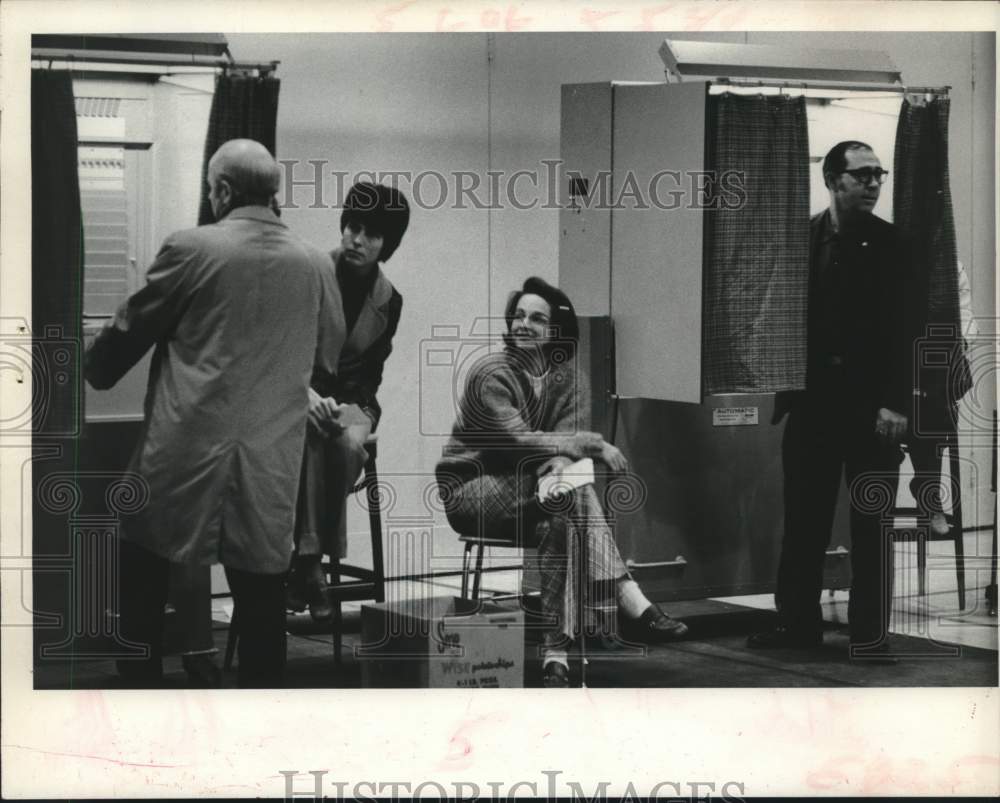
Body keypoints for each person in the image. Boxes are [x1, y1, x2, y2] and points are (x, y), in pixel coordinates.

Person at [85, 139, 342, 687]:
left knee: (143, 574)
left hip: (184, 452)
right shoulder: (317, 263)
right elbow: (328, 353)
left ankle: (140, 708)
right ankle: (258, 732)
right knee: (261, 600)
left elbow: (128, 332)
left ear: (222, 190)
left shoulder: (192, 248)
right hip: (270, 461)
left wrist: (91, 364)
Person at [436, 277, 689, 688]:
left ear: (555, 331)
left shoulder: (569, 377)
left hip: (533, 496)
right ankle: (628, 596)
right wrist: (586, 444)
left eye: (537, 318)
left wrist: (560, 461)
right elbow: (517, 440)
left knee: (561, 512)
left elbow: (557, 455)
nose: (523, 324)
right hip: (472, 491)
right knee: (571, 490)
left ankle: (557, 657)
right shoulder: (491, 374)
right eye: (518, 315)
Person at [748, 141, 923, 660]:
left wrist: (896, 402)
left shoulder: (895, 245)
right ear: (832, 179)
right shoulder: (803, 239)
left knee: (872, 526)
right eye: (862, 175)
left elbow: (908, 329)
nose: (873, 183)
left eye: (878, 175)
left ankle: (870, 633)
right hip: (814, 406)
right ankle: (798, 627)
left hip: (873, 412)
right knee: (804, 523)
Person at [287, 182, 408, 621]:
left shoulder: (389, 300)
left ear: (386, 245)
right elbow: (284, 351)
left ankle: (305, 562)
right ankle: (312, 566)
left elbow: (370, 376)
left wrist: (340, 407)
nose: (358, 240)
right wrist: (309, 397)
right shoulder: (309, 272)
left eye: (372, 234)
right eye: (353, 227)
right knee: (320, 439)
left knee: (342, 439)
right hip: (299, 394)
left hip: (355, 400)